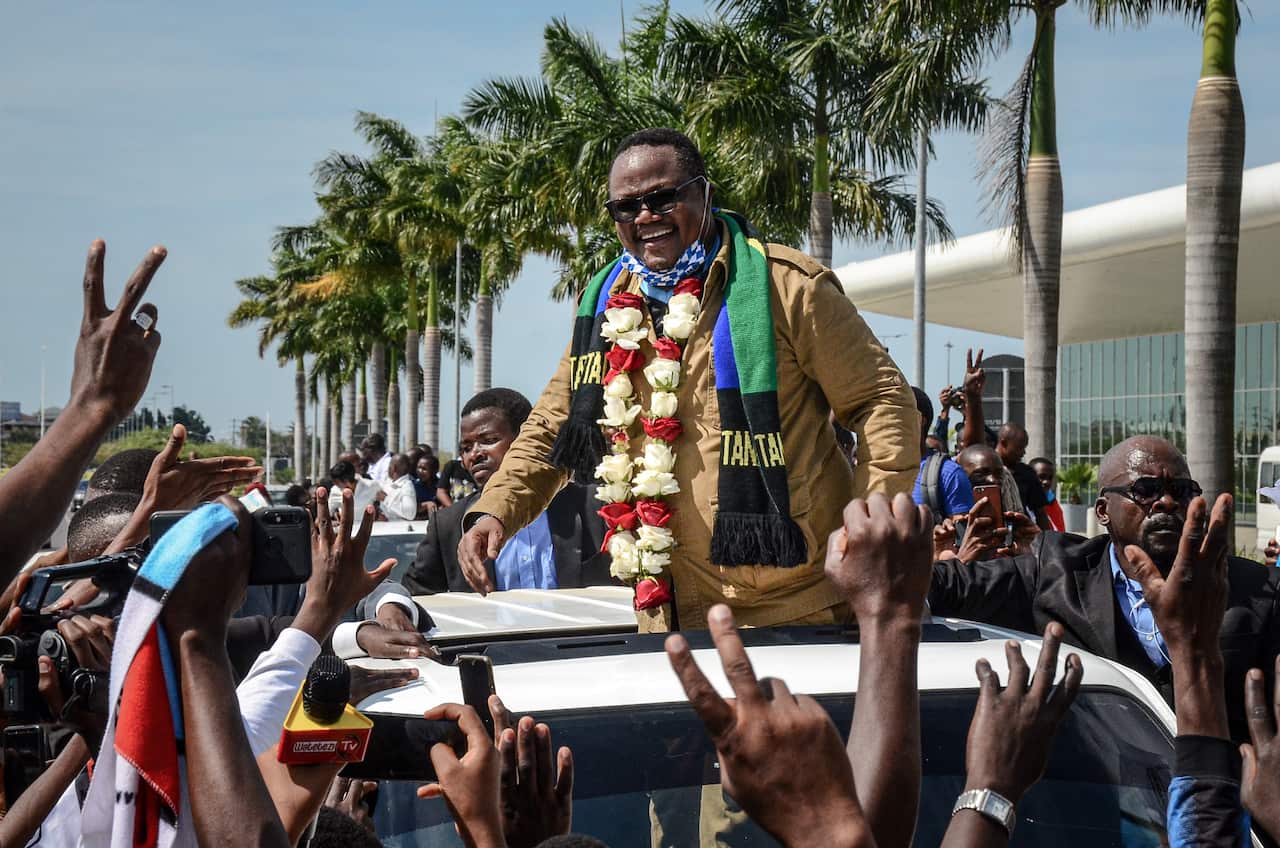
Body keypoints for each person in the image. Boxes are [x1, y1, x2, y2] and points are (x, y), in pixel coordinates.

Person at [458, 127, 919, 631]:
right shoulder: (604, 307)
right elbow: (553, 425)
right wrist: (494, 512)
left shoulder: (786, 287)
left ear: (704, 193)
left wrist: (870, 524)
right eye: (626, 208)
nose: (645, 218)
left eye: (662, 198)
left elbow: (881, 400)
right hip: (664, 616)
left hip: (798, 609)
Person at [928, 435, 1280, 744]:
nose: (1167, 502)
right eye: (1145, 490)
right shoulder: (1054, 571)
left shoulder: (1260, 589)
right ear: (1102, 511)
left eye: (1182, 491)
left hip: (1222, 795)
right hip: (1102, 800)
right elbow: (948, 587)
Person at [405, 389, 611, 594]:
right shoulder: (448, 525)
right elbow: (414, 593)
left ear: (527, 439)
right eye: (466, 448)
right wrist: (388, 602)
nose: (474, 454)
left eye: (488, 440)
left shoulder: (598, 508)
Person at [910, 387, 974, 523]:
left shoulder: (949, 474)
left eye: (896, 413)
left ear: (920, 420)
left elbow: (963, 540)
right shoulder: (869, 471)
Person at [997, 423, 1051, 530]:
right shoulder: (984, 469)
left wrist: (1048, 542)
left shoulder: (1026, 473)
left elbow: (1040, 513)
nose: (1023, 453)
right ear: (1004, 443)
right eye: (1019, 448)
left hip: (1019, 535)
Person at [376, 453, 419, 521]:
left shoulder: (407, 486)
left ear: (394, 468)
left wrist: (386, 499)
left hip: (398, 529)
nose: (388, 469)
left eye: (389, 466)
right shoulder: (389, 482)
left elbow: (410, 514)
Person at [1030, 456, 1066, 532]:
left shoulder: (1052, 503)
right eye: (1041, 477)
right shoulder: (1022, 503)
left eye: (1050, 478)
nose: (1047, 482)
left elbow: (1060, 532)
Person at [414, 452, 441, 518]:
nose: (420, 471)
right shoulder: (415, 486)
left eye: (424, 469)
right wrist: (426, 505)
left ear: (434, 471)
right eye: (418, 467)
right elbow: (410, 508)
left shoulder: (441, 486)